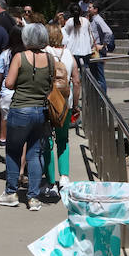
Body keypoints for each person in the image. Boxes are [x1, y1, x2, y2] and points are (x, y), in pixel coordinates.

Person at [0, 23, 52, 211]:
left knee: (13, 151)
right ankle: (33, 197)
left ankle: (11, 193)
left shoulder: (19, 57)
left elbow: (9, 83)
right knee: (35, 154)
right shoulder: (50, 59)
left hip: (20, 108)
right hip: (41, 110)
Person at [45, 24, 78, 192]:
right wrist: (76, 104)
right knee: (63, 139)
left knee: (47, 141)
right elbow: (76, 81)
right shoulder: (69, 54)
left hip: (48, 101)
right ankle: (64, 176)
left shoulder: (44, 53)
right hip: (66, 102)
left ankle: (51, 181)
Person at [62, 5, 95, 89]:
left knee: (73, 75)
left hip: (72, 52)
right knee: (85, 73)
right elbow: (90, 35)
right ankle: (86, 92)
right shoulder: (86, 21)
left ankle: (74, 92)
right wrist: (90, 46)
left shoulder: (69, 21)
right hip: (86, 51)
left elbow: (65, 35)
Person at [85, 3, 114, 94]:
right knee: (95, 75)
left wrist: (103, 45)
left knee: (99, 76)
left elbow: (108, 32)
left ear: (95, 9)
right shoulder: (92, 20)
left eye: (90, 7)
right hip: (93, 51)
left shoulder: (98, 19)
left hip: (97, 51)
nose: (88, 9)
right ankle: (97, 96)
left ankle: (102, 97)